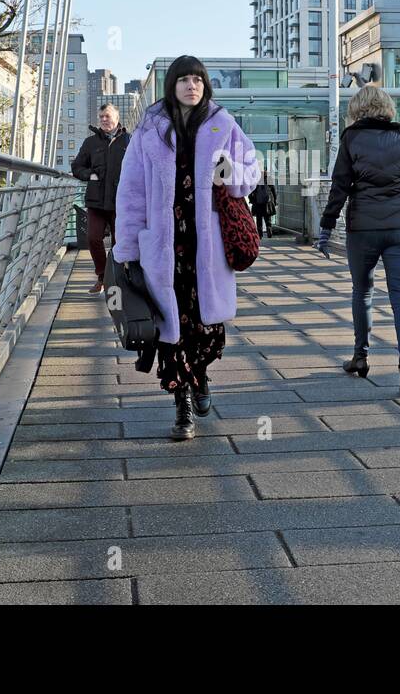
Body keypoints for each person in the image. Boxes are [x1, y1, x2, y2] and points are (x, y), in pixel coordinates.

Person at [113, 56, 260, 440]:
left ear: (205, 85)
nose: (191, 86)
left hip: (206, 244)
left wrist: (230, 172)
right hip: (165, 246)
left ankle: (202, 378)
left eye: (198, 80)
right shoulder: (150, 129)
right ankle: (183, 408)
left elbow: (252, 170)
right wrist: (127, 250)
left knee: (205, 325)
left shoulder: (222, 123)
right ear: (172, 85)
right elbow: (131, 192)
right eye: (184, 80)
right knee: (171, 327)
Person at [315, 85, 400, 396]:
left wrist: (327, 227)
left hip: (363, 229)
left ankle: (361, 357)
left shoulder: (352, 138)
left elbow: (340, 185)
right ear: (386, 107)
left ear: (356, 109)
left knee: (363, 291)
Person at [71, 104, 130, 293]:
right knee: (93, 238)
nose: (104, 120)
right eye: (101, 117)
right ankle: (102, 276)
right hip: (96, 201)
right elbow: (76, 167)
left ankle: (117, 278)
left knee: (118, 242)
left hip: (120, 201)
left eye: (107, 116)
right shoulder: (91, 143)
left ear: (117, 117)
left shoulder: (129, 141)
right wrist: (90, 175)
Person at [249, 164, 277, 238]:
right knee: (267, 217)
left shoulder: (255, 178)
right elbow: (273, 190)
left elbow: (251, 190)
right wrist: (275, 200)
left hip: (258, 203)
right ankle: (269, 228)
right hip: (267, 202)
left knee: (259, 218)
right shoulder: (269, 178)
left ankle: (260, 233)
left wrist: (251, 199)